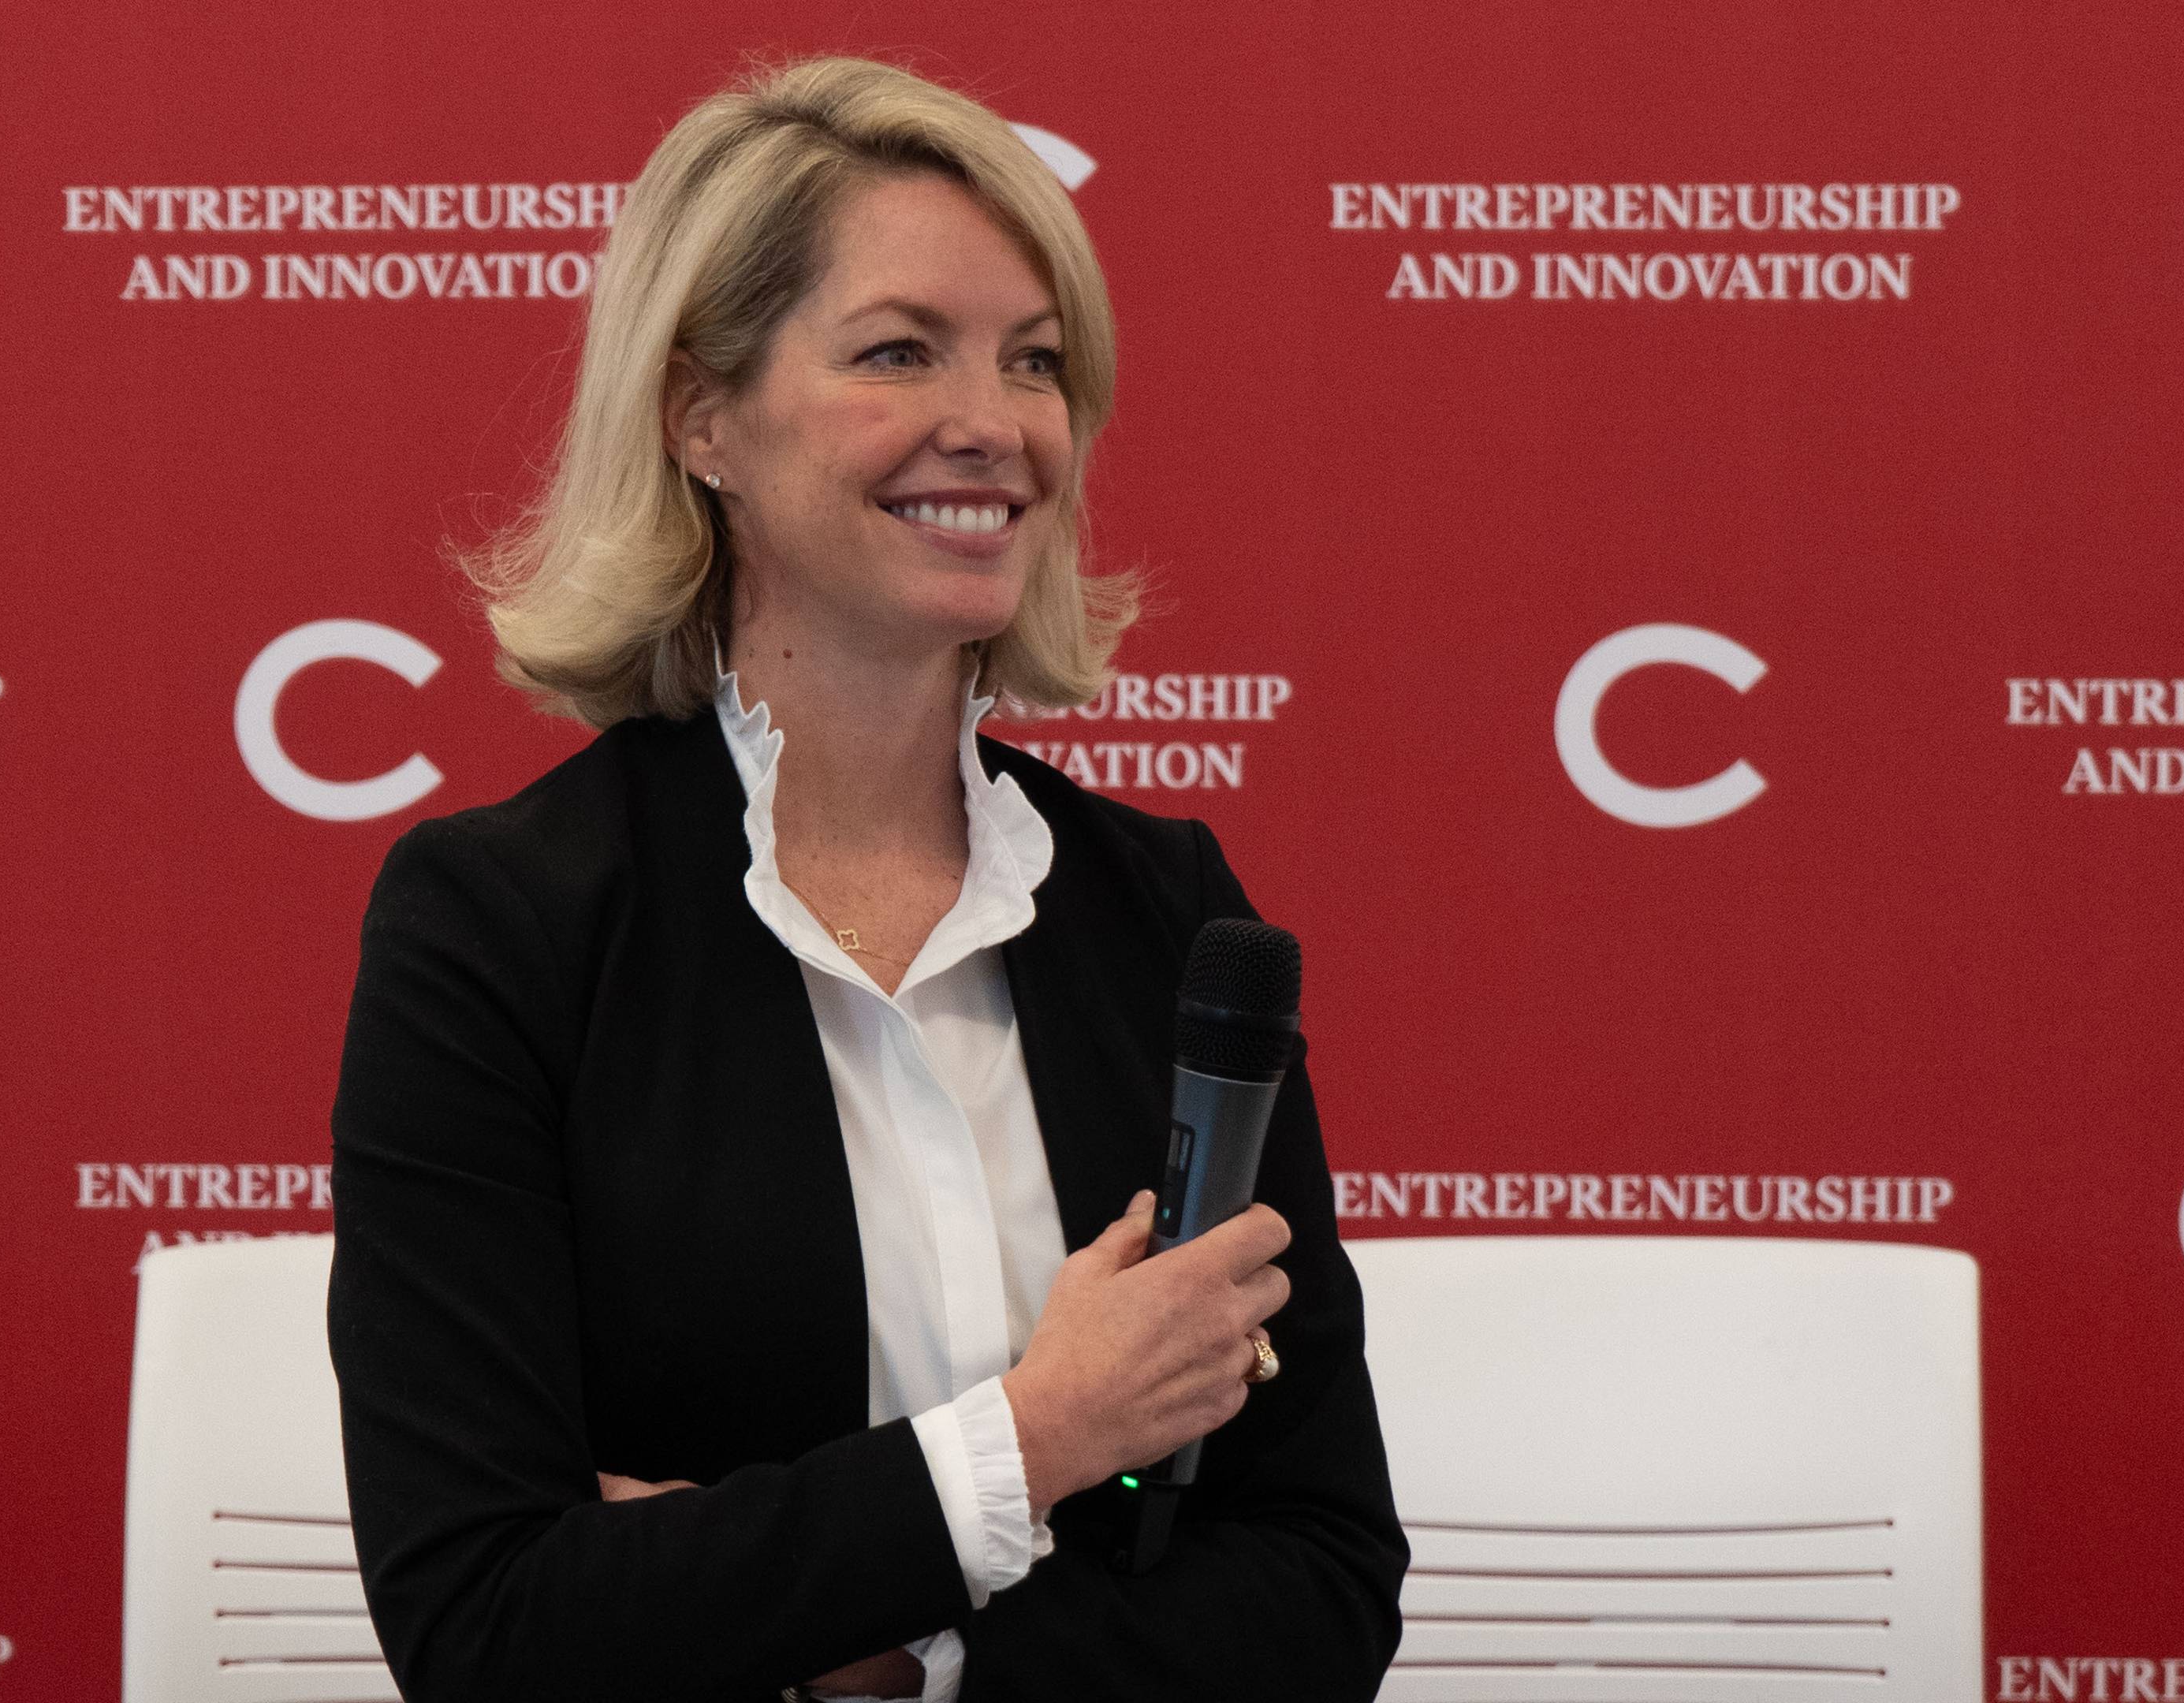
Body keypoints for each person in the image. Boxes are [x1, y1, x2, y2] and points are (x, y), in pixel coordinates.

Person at [327, 55, 1404, 1703]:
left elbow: (1325, 1582)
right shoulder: (502, 926)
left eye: (1034, 362)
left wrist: (887, 1657)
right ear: (703, 415)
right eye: (900, 351)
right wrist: (1041, 1438)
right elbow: (489, 1625)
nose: (995, 426)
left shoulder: (1166, 910)